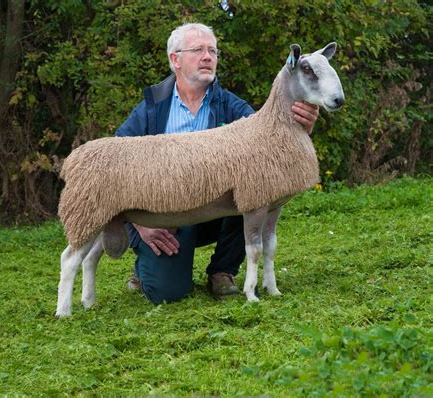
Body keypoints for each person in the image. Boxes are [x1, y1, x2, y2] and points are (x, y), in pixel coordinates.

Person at [115, 23, 319, 305]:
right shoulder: (152, 107)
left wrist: (301, 125)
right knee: (168, 292)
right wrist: (140, 222)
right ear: (175, 59)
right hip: (163, 217)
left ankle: (223, 270)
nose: (208, 56)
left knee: (251, 188)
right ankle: (146, 268)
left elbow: (268, 149)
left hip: (214, 213)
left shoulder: (233, 107)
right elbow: (113, 166)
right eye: (198, 50)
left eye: (212, 50)